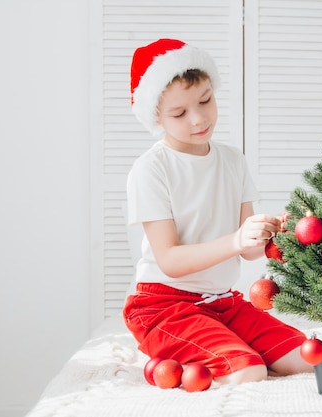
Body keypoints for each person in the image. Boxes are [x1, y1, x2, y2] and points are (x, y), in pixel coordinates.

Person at [123, 38, 312, 385]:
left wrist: (271, 232)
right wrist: (236, 240)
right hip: (164, 304)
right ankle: (168, 344)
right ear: (156, 117)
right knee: (249, 370)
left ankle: (214, 340)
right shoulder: (152, 169)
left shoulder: (232, 160)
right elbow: (170, 261)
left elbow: (251, 250)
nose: (198, 119)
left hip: (222, 301)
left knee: (307, 358)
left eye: (205, 101)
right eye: (179, 113)